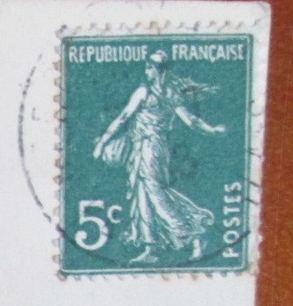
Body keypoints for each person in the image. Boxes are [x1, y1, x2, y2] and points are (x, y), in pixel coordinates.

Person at [92, 50, 226, 265]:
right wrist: (211, 130)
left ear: (156, 70)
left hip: (150, 147)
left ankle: (193, 232)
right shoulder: (171, 94)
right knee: (143, 193)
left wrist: (102, 142)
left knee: (154, 192)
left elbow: (123, 118)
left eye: (149, 67)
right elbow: (191, 121)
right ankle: (150, 247)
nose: (146, 70)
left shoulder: (145, 92)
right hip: (148, 147)